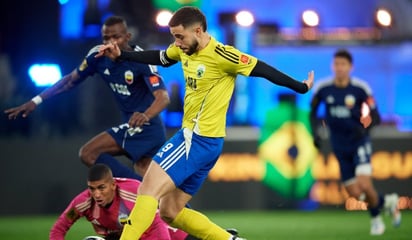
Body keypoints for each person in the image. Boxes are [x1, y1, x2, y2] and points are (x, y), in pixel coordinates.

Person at [97, 6, 314, 240]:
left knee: (147, 190)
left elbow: (262, 69)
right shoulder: (184, 50)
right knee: (170, 211)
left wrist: (300, 87)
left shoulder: (223, 55)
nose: (176, 43)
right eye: (174, 37)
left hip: (194, 140)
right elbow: (159, 57)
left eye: (180, 37)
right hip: (208, 144)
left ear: (198, 31)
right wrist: (124, 55)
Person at [4, 16, 170, 180]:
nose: (110, 43)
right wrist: (36, 100)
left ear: (127, 37)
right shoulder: (97, 57)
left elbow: (163, 97)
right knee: (156, 191)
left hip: (146, 126)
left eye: (116, 37)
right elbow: (70, 81)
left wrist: (145, 115)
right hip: (133, 125)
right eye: (106, 38)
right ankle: (148, 194)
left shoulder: (142, 60)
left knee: (89, 153)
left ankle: (135, 188)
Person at [309, 49, 401, 235]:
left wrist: (364, 129)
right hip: (339, 145)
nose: (339, 68)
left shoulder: (361, 88)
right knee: (354, 193)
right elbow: (312, 112)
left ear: (350, 67)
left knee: (365, 185)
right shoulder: (323, 88)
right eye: (336, 64)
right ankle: (388, 202)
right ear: (332, 66)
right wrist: (316, 134)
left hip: (359, 142)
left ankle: (376, 220)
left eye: (343, 65)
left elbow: (375, 116)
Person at [50, 163, 192, 240]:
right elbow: (59, 228)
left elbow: (157, 223)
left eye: (101, 188)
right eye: (92, 189)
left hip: (167, 235)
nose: (96, 194)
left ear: (113, 185)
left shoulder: (133, 191)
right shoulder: (82, 202)